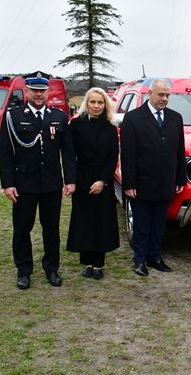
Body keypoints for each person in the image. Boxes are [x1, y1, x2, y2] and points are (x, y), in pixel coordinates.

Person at [0, 71, 75, 289]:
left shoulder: (58, 117)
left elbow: (67, 152)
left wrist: (70, 179)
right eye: (34, 91)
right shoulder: (13, 116)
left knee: (51, 228)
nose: (38, 95)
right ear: (27, 91)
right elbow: (5, 153)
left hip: (51, 183)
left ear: (48, 92)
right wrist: (8, 183)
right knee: (22, 228)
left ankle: (51, 269)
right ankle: (24, 271)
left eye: (42, 91)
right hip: (24, 184)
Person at [120, 79, 186, 276]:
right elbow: (128, 154)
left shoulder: (175, 118)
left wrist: (180, 178)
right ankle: (139, 260)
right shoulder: (133, 118)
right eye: (160, 95)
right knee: (142, 224)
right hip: (141, 183)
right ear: (150, 93)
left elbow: (179, 151)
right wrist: (129, 182)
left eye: (167, 95)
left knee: (159, 223)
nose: (164, 99)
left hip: (166, 182)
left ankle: (155, 257)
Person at [66, 87, 119, 280]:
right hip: (82, 178)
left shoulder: (111, 127)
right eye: (92, 102)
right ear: (86, 103)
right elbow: (70, 155)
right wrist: (72, 180)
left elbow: (113, 156)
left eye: (100, 102)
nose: (96, 106)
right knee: (84, 221)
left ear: (105, 104)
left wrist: (103, 180)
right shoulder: (75, 125)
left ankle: (98, 263)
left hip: (102, 180)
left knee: (101, 221)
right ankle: (86, 262)